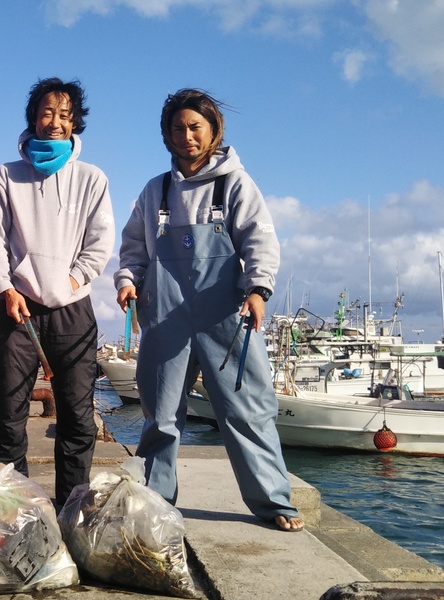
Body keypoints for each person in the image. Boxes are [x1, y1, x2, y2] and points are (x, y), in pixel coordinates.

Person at [113, 88, 304, 532]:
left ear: (214, 130)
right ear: (166, 135)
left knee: (247, 411)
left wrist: (258, 289)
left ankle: (273, 501)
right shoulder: (154, 190)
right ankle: (155, 500)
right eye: (177, 128)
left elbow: (260, 239)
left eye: (195, 126)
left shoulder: (235, 182)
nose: (186, 136)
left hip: (227, 319)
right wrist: (127, 282)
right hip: (165, 317)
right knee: (160, 416)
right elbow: (133, 248)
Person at [0, 78, 115, 505]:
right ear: (33, 118)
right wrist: (5, 287)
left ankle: (71, 507)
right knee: (8, 417)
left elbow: (99, 244)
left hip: (74, 312)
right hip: (17, 309)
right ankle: (15, 511)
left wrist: (71, 282)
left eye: (64, 114)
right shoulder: (6, 175)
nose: (55, 122)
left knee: (78, 419)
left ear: (74, 122)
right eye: (47, 112)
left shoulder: (92, 178)